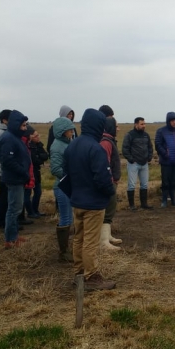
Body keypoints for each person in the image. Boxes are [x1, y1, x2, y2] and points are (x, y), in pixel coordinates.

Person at [64, 108, 116, 291]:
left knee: (79, 238)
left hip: (77, 201)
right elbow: (103, 178)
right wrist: (110, 191)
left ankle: (79, 273)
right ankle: (91, 276)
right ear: (99, 126)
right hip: (93, 204)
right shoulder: (96, 148)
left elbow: (66, 173)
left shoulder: (72, 145)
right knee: (90, 242)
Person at [0, 110, 31, 248]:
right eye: (23, 125)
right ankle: (10, 239)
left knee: (16, 208)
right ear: (16, 125)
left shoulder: (14, 137)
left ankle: (14, 235)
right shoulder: (8, 139)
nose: (25, 128)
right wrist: (23, 172)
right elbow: (8, 161)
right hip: (14, 179)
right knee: (13, 209)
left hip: (19, 178)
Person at [49, 116, 75, 262]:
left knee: (69, 216)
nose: (72, 132)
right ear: (62, 131)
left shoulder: (66, 143)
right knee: (65, 217)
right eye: (69, 130)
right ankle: (63, 252)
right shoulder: (57, 146)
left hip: (67, 185)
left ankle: (66, 249)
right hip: (62, 187)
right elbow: (55, 169)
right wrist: (68, 178)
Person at [99, 116, 122, 250]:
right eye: (116, 126)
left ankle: (107, 236)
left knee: (110, 209)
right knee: (108, 209)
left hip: (112, 180)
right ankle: (103, 241)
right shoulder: (106, 142)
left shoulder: (109, 140)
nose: (118, 129)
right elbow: (105, 163)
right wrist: (110, 180)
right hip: (109, 181)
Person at [122, 117, 154, 211]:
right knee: (132, 185)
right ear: (136, 124)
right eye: (142, 124)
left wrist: (149, 157)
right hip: (134, 164)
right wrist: (131, 160)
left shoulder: (146, 135)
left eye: (144, 124)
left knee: (144, 184)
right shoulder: (130, 135)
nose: (144, 126)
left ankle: (144, 204)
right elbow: (125, 149)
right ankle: (132, 205)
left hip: (144, 163)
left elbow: (150, 147)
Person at [155, 112, 175, 207]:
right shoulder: (161, 131)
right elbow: (158, 144)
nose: (174, 122)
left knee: (174, 181)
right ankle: (164, 200)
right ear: (168, 121)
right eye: (172, 120)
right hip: (166, 161)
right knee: (165, 181)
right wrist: (165, 154)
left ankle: (173, 200)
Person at [0, 109, 11, 232]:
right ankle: (2, 223)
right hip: (4, 171)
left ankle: (7, 222)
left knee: (8, 197)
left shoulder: (6, 132)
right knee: (4, 197)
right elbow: (0, 153)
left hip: (6, 170)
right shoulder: (1, 133)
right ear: (5, 120)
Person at [26, 130, 48, 218]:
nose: (38, 137)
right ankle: (30, 212)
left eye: (38, 135)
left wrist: (39, 156)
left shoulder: (38, 145)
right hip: (30, 173)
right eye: (35, 136)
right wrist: (39, 158)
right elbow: (34, 160)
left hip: (37, 172)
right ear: (30, 137)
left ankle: (35, 210)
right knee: (27, 194)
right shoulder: (29, 146)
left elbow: (45, 156)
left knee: (38, 192)